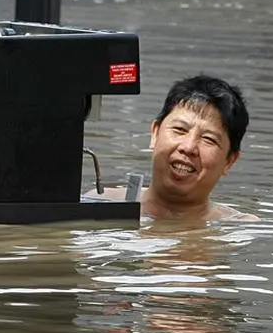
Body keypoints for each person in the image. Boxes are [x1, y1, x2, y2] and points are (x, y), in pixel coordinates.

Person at [93, 74, 255, 223]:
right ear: (155, 134)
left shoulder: (238, 227)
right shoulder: (99, 204)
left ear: (230, 161)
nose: (188, 147)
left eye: (208, 139)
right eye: (180, 130)